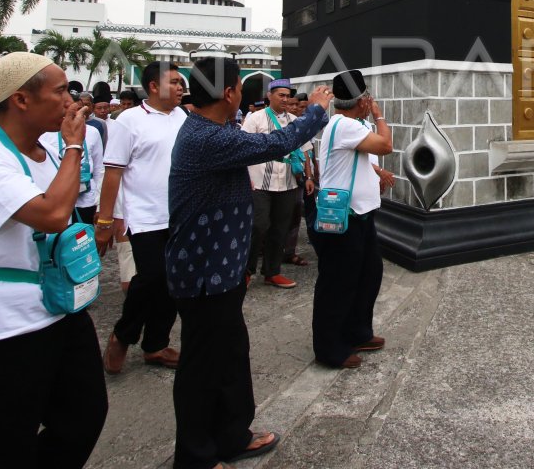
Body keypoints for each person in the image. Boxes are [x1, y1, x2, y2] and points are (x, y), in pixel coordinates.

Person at [166, 58, 333, 469]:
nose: (243, 91)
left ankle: (231, 436)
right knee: (202, 367)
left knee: (230, 357)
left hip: (222, 268)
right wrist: (314, 110)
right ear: (228, 93)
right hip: (204, 273)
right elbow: (274, 145)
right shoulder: (206, 137)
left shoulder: (216, 130)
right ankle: (195, 457)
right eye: (240, 85)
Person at [0, 53, 107, 468]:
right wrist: (74, 146)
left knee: (84, 415)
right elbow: (52, 215)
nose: (71, 101)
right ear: (20, 100)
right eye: (59, 91)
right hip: (5, 322)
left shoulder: (46, 155)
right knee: (5, 442)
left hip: (60, 307)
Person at [97, 62, 187, 374]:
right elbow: (113, 172)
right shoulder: (129, 120)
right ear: (152, 86)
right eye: (174, 82)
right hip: (144, 216)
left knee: (174, 282)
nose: (180, 87)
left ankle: (156, 345)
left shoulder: (183, 117)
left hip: (179, 215)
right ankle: (123, 335)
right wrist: (105, 220)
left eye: (181, 82)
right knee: (151, 277)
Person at [309, 70, 393, 369]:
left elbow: (365, 160)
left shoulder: (354, 125)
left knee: (368, 273)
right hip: (343, 217)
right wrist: (380, 116)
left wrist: (379, 174)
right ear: (362, 100)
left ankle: (357, 331)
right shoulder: (343, 125)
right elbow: (385, 145)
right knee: (338, 282)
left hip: (362, 213)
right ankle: (329, 347)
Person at [242, 79, 307, 289]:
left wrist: (309, 177)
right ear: (269, 96)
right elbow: (242, 147)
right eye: (281, 95)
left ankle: (272, 272)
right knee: (258, 226)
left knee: (280, 228)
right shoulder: (255, 119)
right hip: (260, 182)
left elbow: (304, 150)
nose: (285, 99)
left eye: (288, 96)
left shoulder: (295, 121)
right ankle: (246, 270)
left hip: (287, 182)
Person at [41, 105, 104, 227]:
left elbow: (99, 168)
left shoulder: (93, 132)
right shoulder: (46, 134)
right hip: (58, 200)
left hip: (88, 200)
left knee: (85, 240)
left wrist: (100, 205)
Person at [283, 91, 315, 268]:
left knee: (295, 216)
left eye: (298, 105)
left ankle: (289, 252)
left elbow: (306, 152)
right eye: (292, 104)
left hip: (297, 178)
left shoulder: (299, 125)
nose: (295, 108)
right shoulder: (274, 122)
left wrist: (309, 176)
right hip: (276, 179)